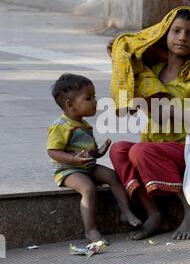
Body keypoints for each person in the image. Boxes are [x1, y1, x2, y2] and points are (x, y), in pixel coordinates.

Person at [107, 6, 190, 240]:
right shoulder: (155, 71)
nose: (183, 37)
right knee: (119, 149)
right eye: (177, 31)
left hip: (188, 150)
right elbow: (128, 102)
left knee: (141, 151)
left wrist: (172, 110)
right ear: (164, 33)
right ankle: (155, 215)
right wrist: (119, 58)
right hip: (157, 148)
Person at [47, 73, 141, 244]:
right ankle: (90, 230)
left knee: (113, 176)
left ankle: (125, 211)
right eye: (89, 98)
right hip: (68, 170)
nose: (95, 102)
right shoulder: (61, 126)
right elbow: (53, 151)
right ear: (70, 104)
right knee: (88, 188)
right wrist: (74, 159)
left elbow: (87, 150)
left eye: (94, 97)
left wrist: (99, 152)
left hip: (88, 166)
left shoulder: (84, 124)